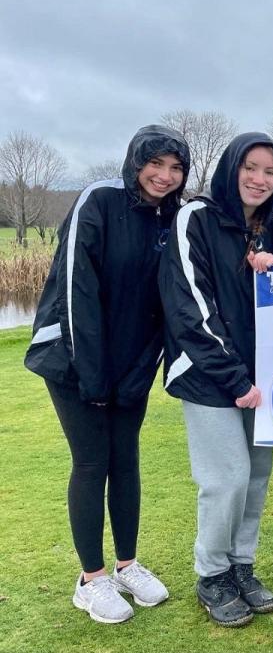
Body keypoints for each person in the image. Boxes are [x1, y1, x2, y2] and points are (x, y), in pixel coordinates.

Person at [25, 125, 189, 624]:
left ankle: (127, 565)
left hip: (128, 367)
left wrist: (142, 369)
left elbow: (164, 305)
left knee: (127, 462)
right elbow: (76, 292)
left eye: (175, 168)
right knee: (93, 462)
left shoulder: (173, 220)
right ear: (135, 162)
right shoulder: (98, 201)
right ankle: (90, 580)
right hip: (73, 361)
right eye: (155, 164)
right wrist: (92, 377)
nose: (164, 176)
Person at [160, 132, 273, 627]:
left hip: (261, 379)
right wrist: (235, 378)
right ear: (232, 168)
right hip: (209, 377)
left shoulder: (272, 227)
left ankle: (240, 566)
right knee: (226, 477)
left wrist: (270, 271)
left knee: (255, 476)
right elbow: (190, 308)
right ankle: (211, 574)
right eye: (250, 167)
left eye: (269, 171)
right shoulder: (196, 217)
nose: (259, 179)